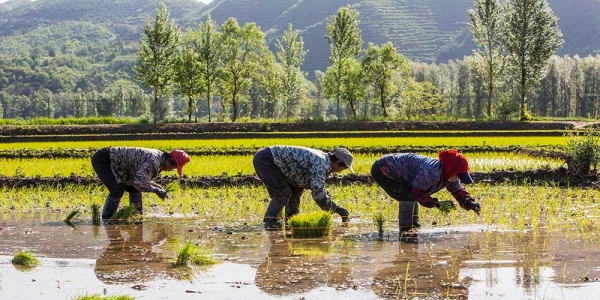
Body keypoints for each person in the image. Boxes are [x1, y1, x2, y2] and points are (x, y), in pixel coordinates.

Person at [370, 149, 481, 234]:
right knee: (407, 196)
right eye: (458, 175)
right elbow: (418, 192)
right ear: (451, 170)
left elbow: (458, 191)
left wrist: (470, 203)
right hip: (384, 168)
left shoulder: (450, 175)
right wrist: (437, 204)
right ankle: (406, 230)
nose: (458, 178)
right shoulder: (430, 173)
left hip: (404, 173)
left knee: (411, 196)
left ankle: (415, 227)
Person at [253, 145, 353, 229]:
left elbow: (301, 182)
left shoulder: (323, 160)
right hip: (266, 160)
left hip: (275, 162)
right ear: (337, 162)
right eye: (342, 169)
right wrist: (337, 209)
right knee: (282, 193)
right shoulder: (321, 165)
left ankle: (291, 222)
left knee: (295, 191)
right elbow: (318, 194)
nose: (339, 172)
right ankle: (270, 223)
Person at [91, 146, 190, 220]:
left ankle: (136, 216)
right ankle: (107, 219)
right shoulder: (154, 161)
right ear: (170, 160)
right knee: (117, 190)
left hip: (121, 167)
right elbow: (140, 184)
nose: (170, 170)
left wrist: (157, 186)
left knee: (133, 188)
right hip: (105, 160)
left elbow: (140, 180)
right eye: (172, 168)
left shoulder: (160, 159)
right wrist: (157, 191)